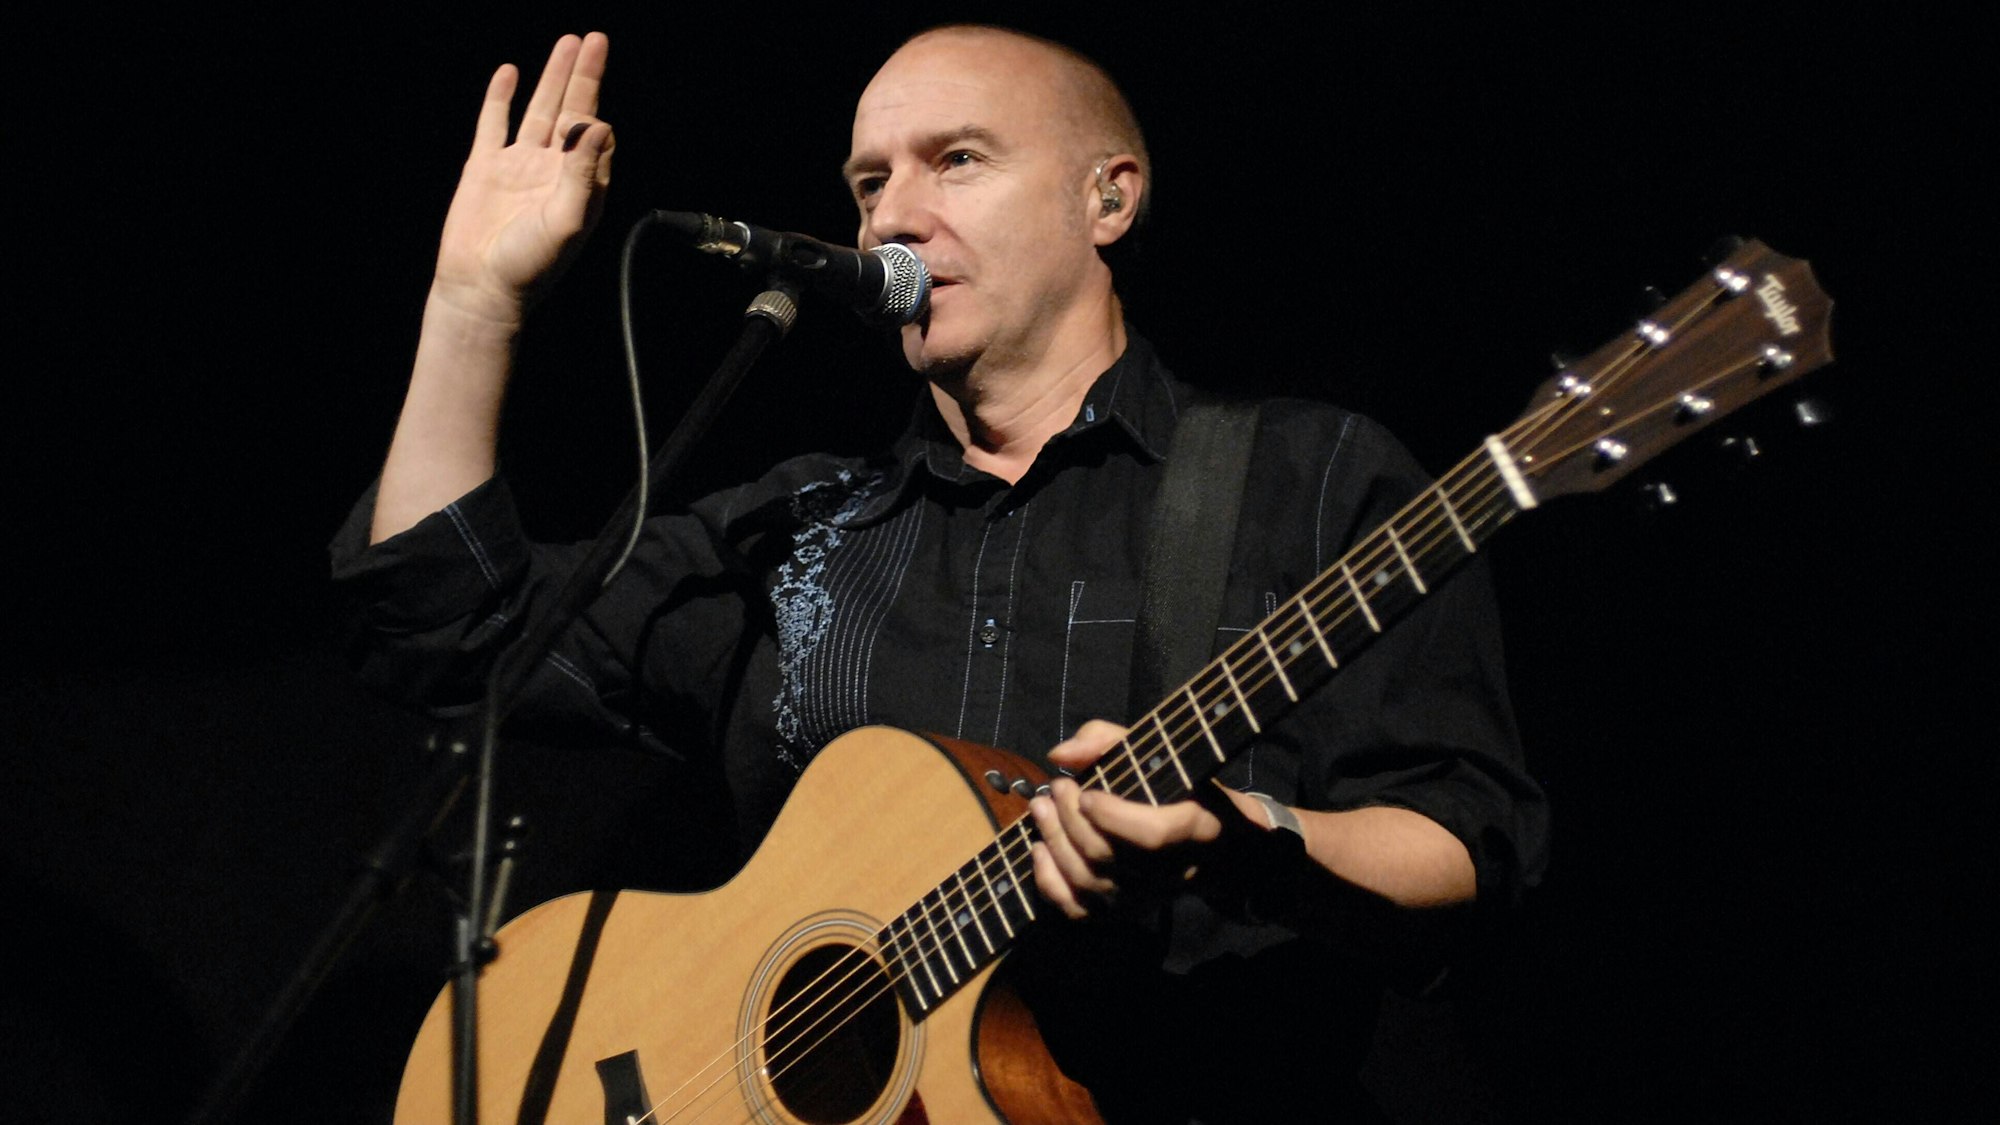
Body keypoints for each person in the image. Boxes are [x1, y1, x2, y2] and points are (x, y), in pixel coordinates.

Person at [334, 25, 1547, 1120]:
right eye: (869, 183)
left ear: (1107, 197)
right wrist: (472, 305)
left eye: (955, 160)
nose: (891, 219)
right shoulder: (797, 532)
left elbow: (1466, 840)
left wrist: (1244, 841)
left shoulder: (1306, 477)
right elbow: (453, 624)